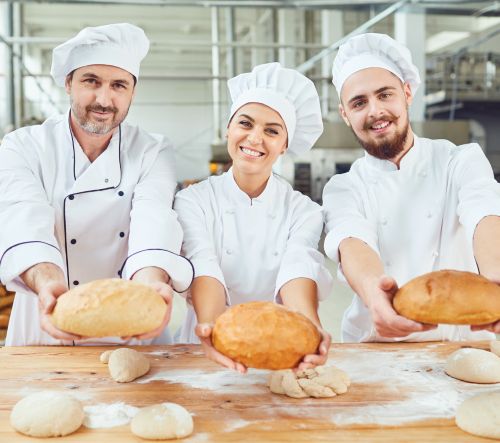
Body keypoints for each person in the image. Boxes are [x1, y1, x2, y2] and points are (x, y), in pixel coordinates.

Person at [0, 23, 193, 346]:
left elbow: (154, 218)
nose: (104, 99)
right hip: (46, 321)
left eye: (119, 85)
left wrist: (150, 287)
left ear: (133, 91)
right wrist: (49, 286)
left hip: (129, 323)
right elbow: (24, 219)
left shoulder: (152, 150)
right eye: (91, 81)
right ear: (68, 84)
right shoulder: (23, 145)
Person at [322, 33, 500, 343]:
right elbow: (351, 241)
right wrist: (375, 294)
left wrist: (496, 273)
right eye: (359, 102)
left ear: (406, 93)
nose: (375, 110)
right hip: (376, 345)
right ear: (345, 115)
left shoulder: (460, 160)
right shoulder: (344, 187)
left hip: (460, 342)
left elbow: (484, 211)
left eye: (385, 94)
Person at [174, 62, 333, 372]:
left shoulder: (304, 210)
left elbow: (297, 268)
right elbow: (202, 262)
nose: (255, 138)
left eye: (272, 131)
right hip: (203, 350)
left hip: (280, 351)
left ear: (285, 144)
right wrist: (212, 329)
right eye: (245, 124)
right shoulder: (193, 200)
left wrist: (311, 328)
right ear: (228, 129)